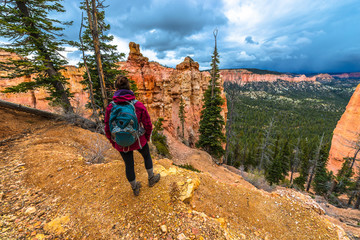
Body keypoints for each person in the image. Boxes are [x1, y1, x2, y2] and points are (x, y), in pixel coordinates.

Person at [104, 75, 160, 196]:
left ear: (116, 89)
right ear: (129, 87)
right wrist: (147, 137)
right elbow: (147, 124)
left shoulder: (111, 107)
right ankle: (151, 179)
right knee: (146, 157)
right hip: (138, 140)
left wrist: (113, 141)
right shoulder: (137, 105)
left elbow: (107, 127)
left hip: (120, 141)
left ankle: (135, 188)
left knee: (129, 164)